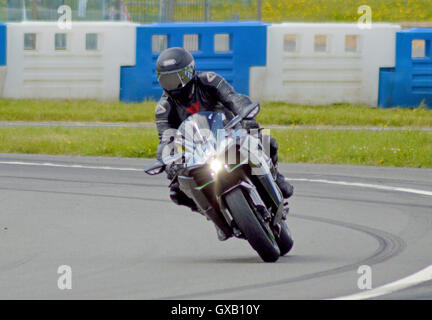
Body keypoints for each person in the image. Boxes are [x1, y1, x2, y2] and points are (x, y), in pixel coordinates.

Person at [154, 47, 293, 240]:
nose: (174, 84)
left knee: (265, 139)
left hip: (229, 132)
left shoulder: (209, 80)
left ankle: (276, 177)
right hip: (198, 150)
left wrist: (245, 115)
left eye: (178, 78)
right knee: (177, 190)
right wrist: (168, 159)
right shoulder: (164, 108)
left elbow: (233, 98)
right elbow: (166, 137)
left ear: (190, 71)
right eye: (168, 80)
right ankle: (213, 216)